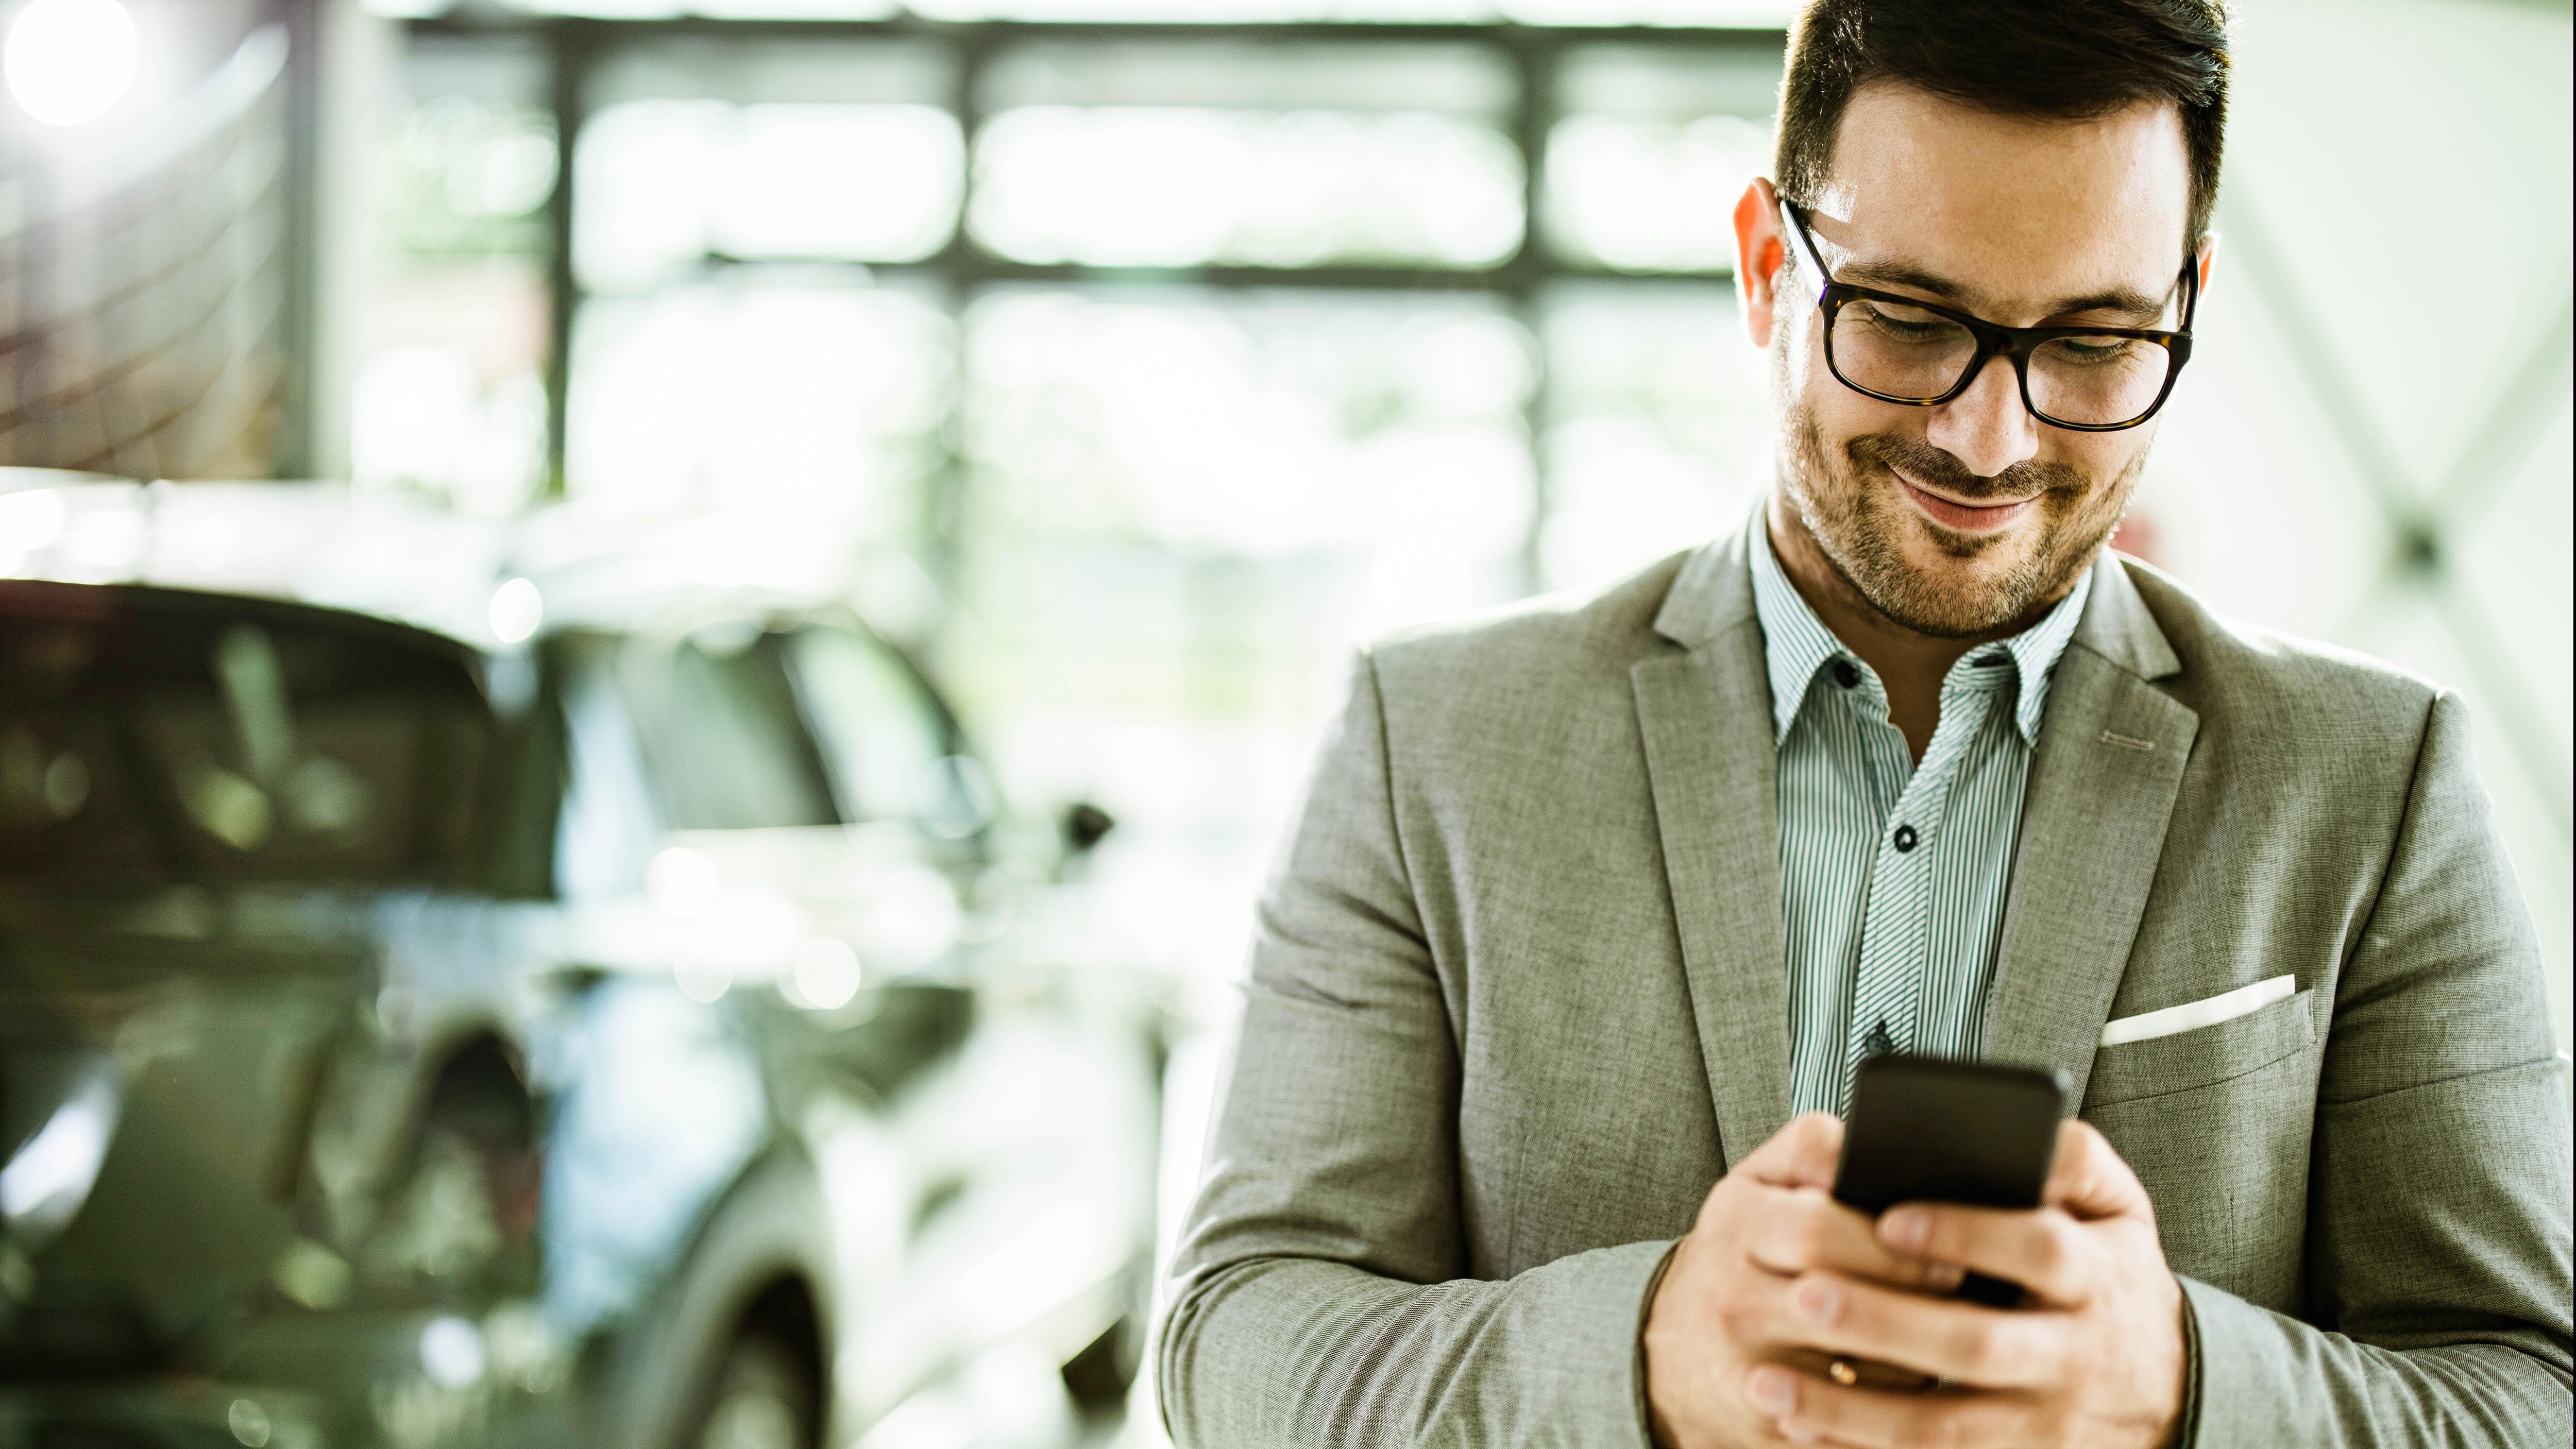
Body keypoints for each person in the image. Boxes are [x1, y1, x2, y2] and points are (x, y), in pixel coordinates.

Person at [1152, 1, 2574, 1445]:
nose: (1990, 439)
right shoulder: (1431, 742)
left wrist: (2184, 1383)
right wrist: (1644, 1356)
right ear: (1769, 268)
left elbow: (2530, 1390)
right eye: (1905, 320)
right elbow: (1240, 1341)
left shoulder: (2375, 782)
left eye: (2092, 343)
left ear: (2187, 305)